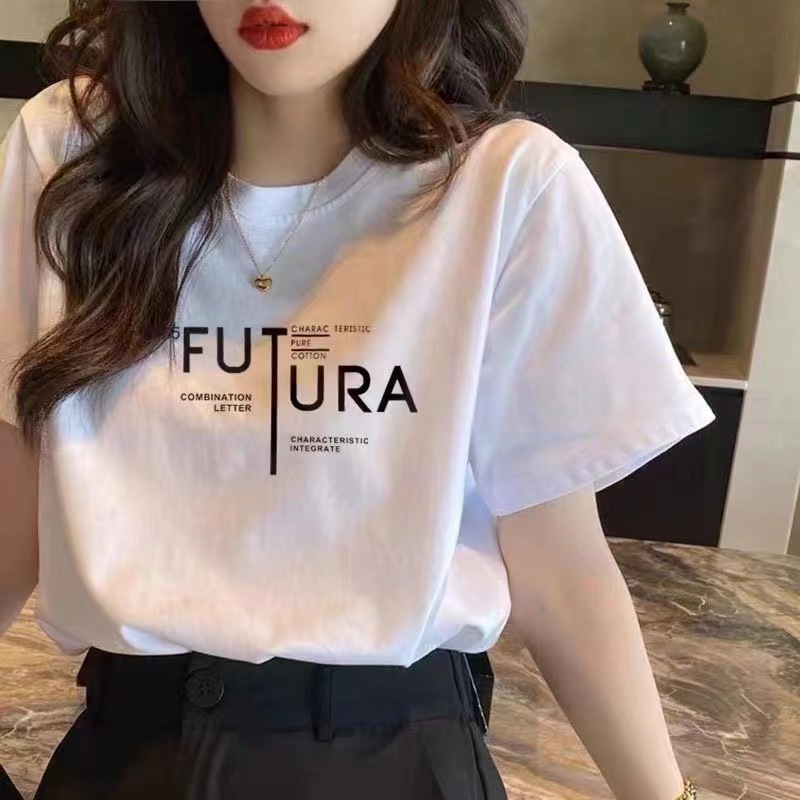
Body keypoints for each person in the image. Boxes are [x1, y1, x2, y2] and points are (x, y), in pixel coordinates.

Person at [0, 1, 714, 799]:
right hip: (125, 757)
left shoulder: (506, 186)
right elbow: (12, 505)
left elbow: (559, 572)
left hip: (398, 759)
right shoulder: (74, 154)